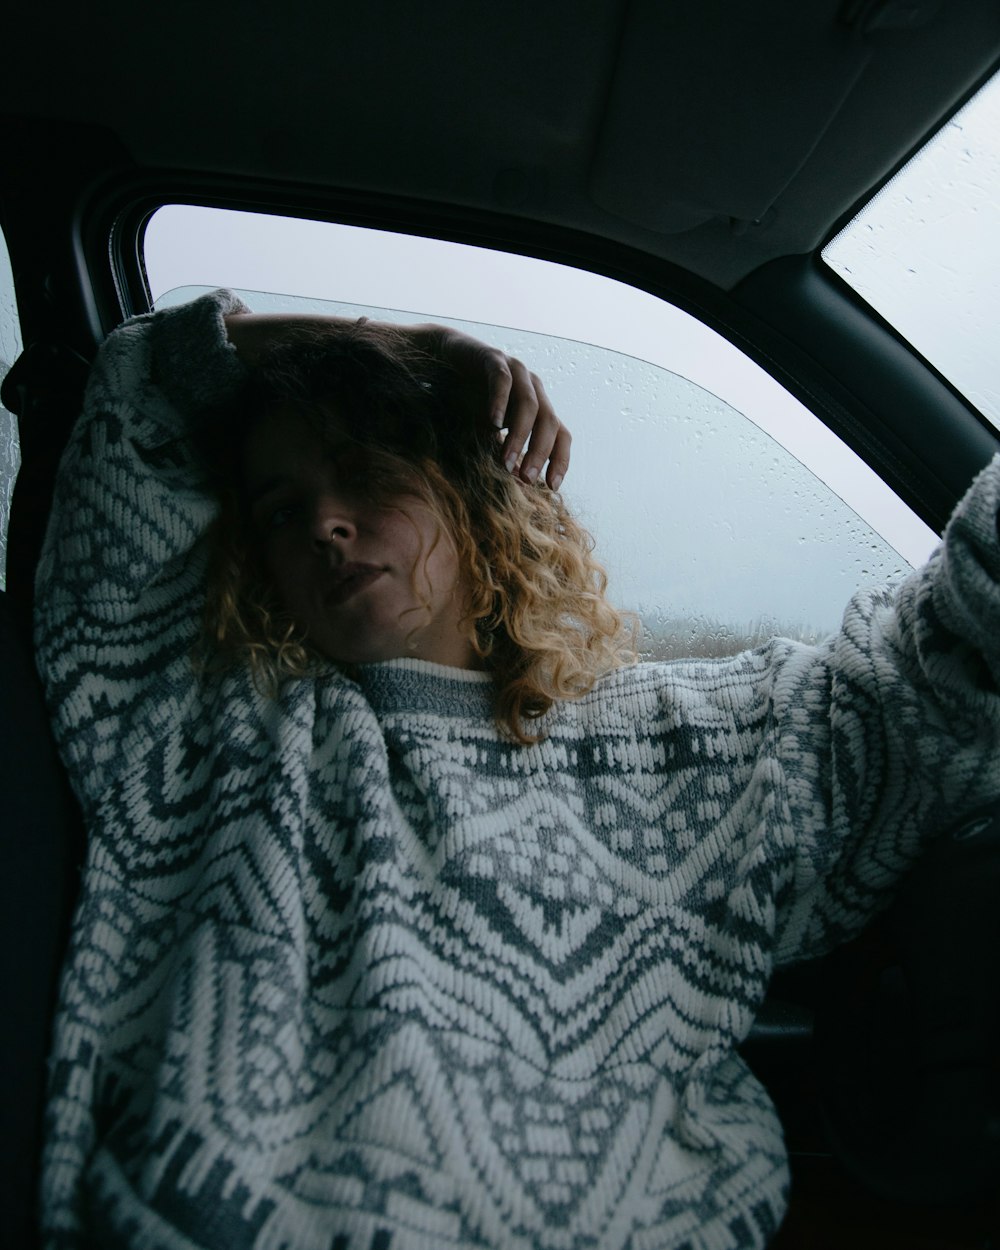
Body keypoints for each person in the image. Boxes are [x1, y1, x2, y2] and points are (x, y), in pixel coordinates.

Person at [35, 289, 1000, 1250]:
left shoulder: (682, 741)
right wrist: (411, 345)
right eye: (283, 510)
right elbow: (138, 389)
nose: (326, 521)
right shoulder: (214, 729)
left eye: (366, 474)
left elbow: (944, 671)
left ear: (467, 495)